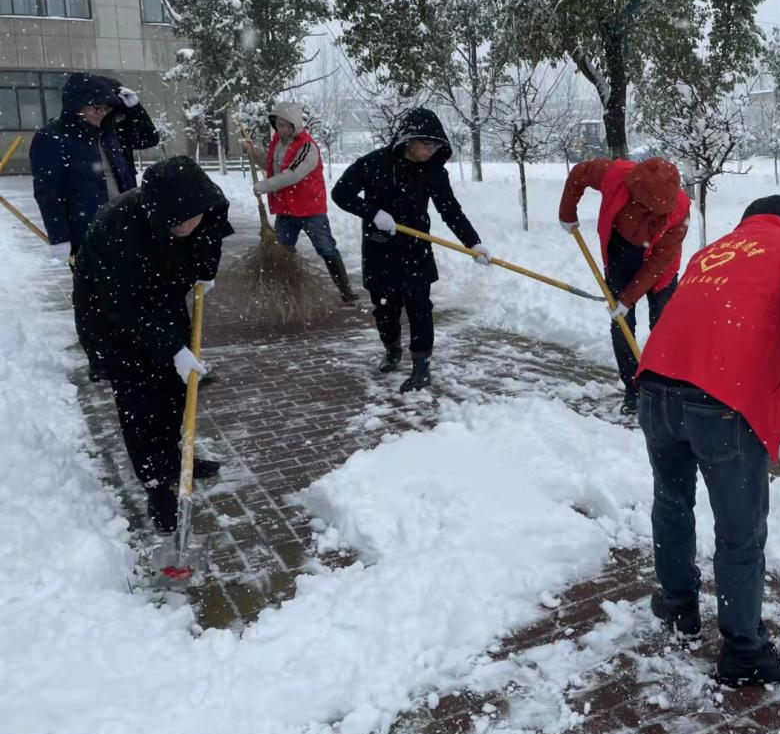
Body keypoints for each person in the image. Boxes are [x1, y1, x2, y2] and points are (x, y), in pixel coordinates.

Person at [634, 195, 780, 687]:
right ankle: (744, 651)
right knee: (739, 530)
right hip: (721, 401)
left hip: (656, 389)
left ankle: (678, 606)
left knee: (671, 503)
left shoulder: (715, 251)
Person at [72, 157, 235, 533]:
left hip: (161, 298)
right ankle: (157, 486)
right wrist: (172, 349)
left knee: (175, 392)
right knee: (140, 406)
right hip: (112, 320)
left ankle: (175, 459)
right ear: (158, 213)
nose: (186, 227)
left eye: (192, 219)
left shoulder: (204, 210)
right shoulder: (117, 229)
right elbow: (123, 308)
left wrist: (205, 271)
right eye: (176, 223)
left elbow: (207, 238)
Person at [331, 107, 491, 393]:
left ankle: (421, 366)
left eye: (436, 145)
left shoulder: (433, 172)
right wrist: (373, 213)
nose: (431, 150)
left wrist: (473, 243)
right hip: (379, 249)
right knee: (385, 309)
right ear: (408, 140)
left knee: (420, 309)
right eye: (426, 143)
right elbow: (340, 193)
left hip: (416, 250)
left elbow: (450, 211)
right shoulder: (373, 163)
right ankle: (392, 349)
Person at [30, 73, 160, 378]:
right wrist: (60, 237)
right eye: (96, 108)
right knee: (95, 300)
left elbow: (148, 139)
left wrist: (135, 109)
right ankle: (102, 362)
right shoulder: (52, 138)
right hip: (87, 231)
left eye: (106, 108)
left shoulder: (110, 131)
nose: (102, 113)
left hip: (127, 225)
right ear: (77, 105)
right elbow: (47, 192)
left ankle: (137, 350)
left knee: (134, 292)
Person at [558, 156, 690, 415]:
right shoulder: (613, 174)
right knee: (622, 324)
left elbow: (661, 260)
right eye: (647, 206)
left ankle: (664, 387)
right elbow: (580, 173)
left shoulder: (680, 209)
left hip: (660, 267)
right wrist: (567, 212)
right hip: (621, 254)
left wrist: (629, 298)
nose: (652, 214)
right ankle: (633, 390)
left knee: (663, 326)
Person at [242, 101, 357, 304]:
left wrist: (264, 186)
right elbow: (271, 165)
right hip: (286, 209)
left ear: (294, 123)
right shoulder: (278, 143)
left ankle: (345, 290)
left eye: (284, 124)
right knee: (282, 251)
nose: (280, 128)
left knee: (326, 248)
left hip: (310, 209)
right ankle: (285, 294)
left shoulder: (307, 147)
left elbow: (292, 175)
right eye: (277, 124)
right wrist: (254, 152)